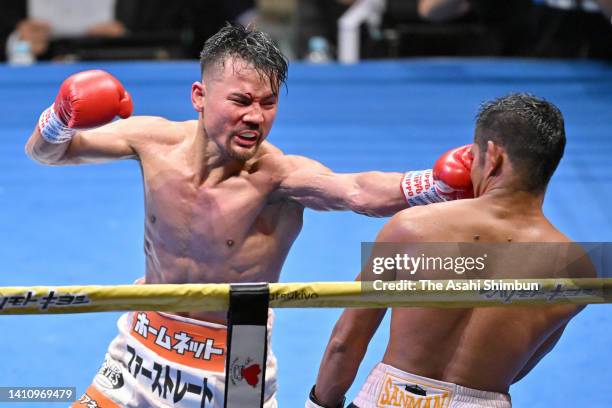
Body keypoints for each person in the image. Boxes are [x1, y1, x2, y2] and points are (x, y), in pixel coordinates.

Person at [25, 23, 471, 408]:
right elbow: (47, 152)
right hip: (142, 343)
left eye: (269, 102)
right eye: (241, 100)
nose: (255, 117)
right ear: (199, 96)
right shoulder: (153, 141)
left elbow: (355, 191)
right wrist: (60, 117)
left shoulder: (277, 176)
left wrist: (429, 185)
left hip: (235, 362)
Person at [308, 93, 593, 407]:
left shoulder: (412, 228)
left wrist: (318, 404)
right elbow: (522, 366)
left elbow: (345, 342)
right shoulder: (578, 268)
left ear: (493, 156)